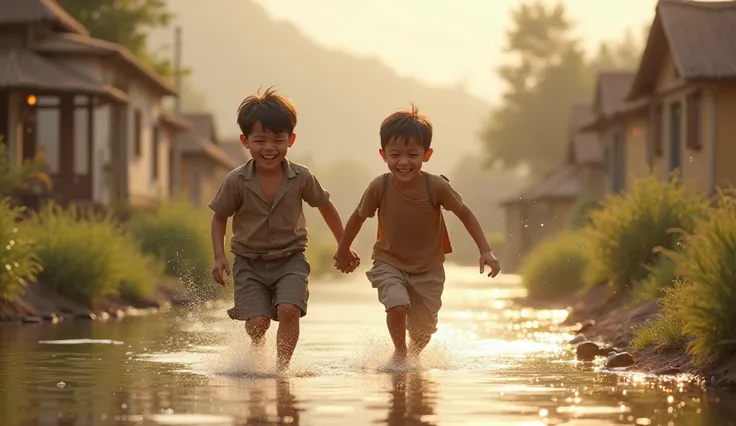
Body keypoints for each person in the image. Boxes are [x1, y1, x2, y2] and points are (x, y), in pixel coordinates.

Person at [333, 104, 501, 362]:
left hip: (429, 268)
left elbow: (465, 214)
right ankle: (400, 355)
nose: (403, 162)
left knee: (423, 332)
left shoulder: (436, 186)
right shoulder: (380, 186)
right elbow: (358, 217)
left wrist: (485, 250)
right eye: (395, 155)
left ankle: (411, 356)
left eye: (412, 155)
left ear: (427, 154)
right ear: (383, 154)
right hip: (389, 262)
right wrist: (343, 249)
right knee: (397, 304)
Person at [209, 87, 359, 371]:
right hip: (249, 263)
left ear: (290, 139)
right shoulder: (236, 181)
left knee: (289, 310)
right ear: (245, 141)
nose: (269, 148)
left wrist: (343, 245)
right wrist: (218, 256)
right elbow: (219, 217)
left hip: (290, 259)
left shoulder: (301, 177)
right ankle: (257, 347)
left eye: (278, 140)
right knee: (257, 323)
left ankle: (281, 371)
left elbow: (325, 206)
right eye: (260, 140)